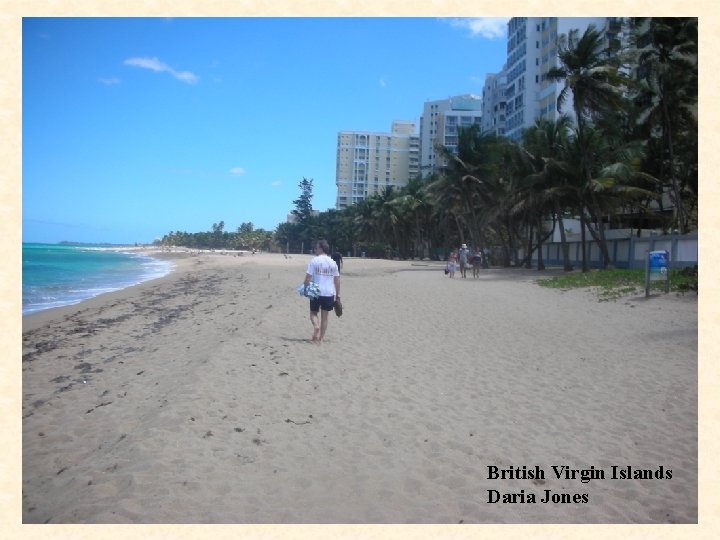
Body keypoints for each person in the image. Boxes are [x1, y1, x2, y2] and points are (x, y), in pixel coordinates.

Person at [303, 239, 341, 344]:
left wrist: (305, 289)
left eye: (316, 248)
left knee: (313, 313)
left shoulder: (314, 261)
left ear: (321, 248)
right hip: (329, 292)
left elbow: (308, 277)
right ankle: (321, 339)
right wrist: (338, 295)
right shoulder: (332, 262)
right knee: (325, 317)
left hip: (315, 290)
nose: (315, 250)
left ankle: (316, 326)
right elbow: (337, 280)